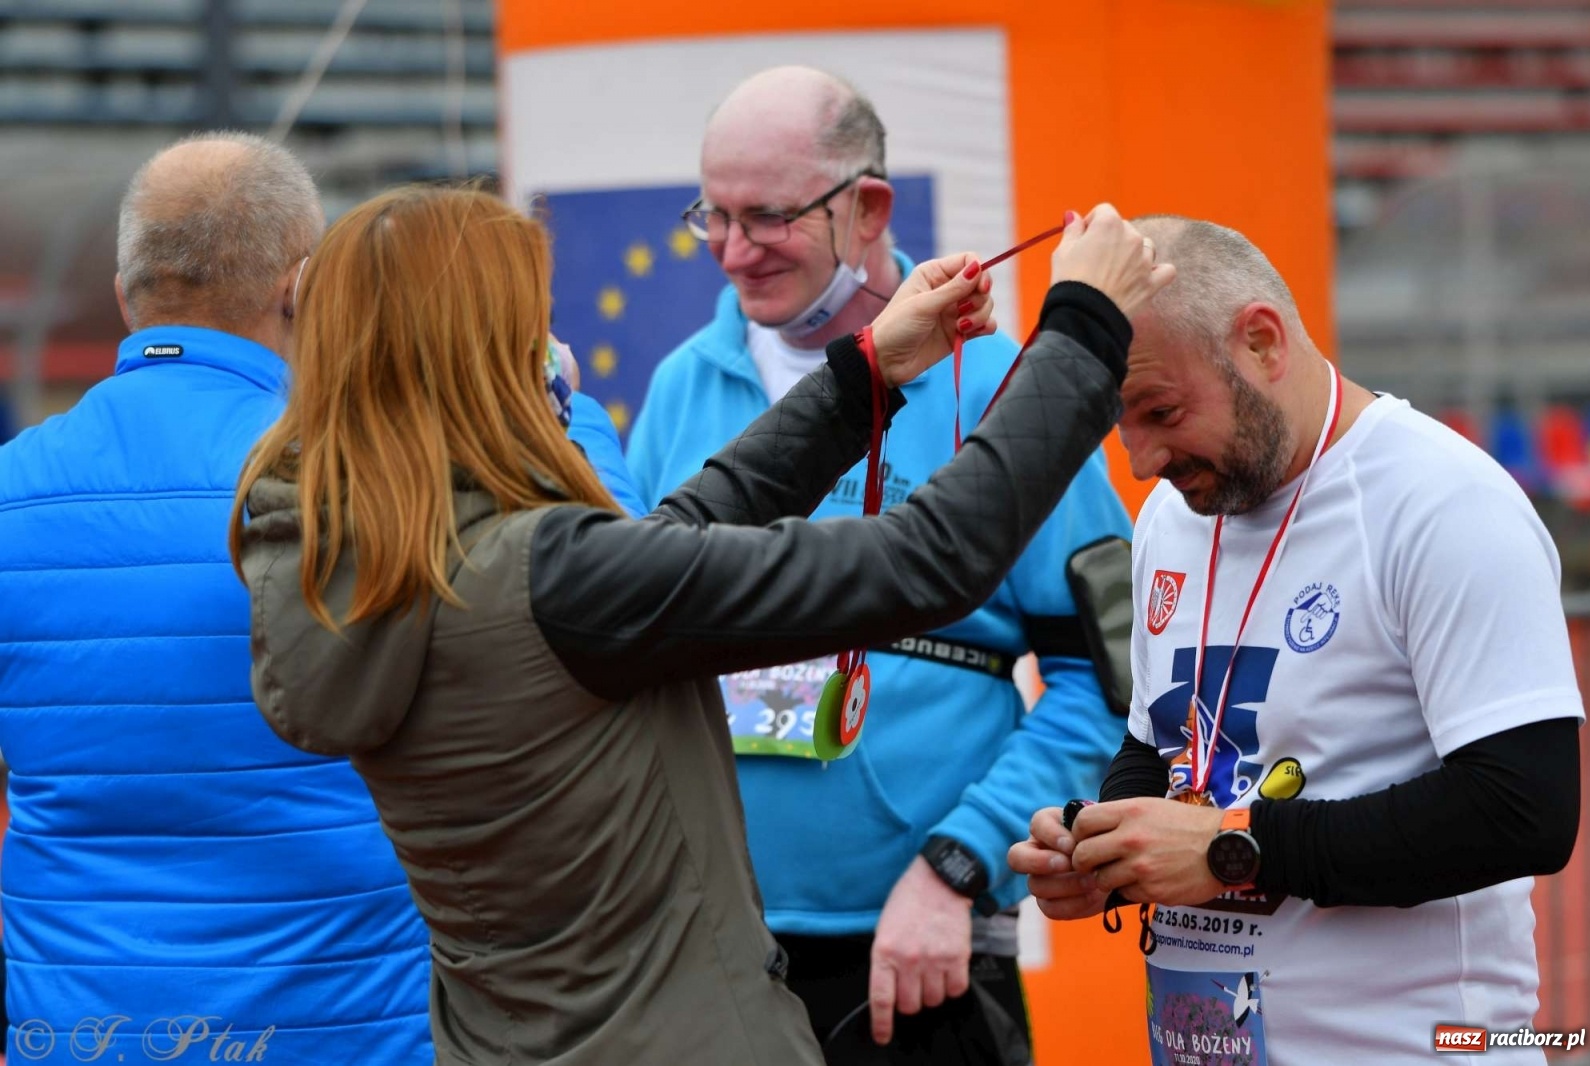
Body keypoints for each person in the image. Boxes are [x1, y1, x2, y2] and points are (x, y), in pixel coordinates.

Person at [229, 188, 1171, 1066]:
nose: (554, 352)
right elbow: (929, 556)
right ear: (476, 365)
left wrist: (863, 378)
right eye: (530, 329)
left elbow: (674, 540)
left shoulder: (379, 560)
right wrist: (1084, 327)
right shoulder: (551, 577)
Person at [626, 65, 1134, 1062]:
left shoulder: (1003, 385)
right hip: (709, 949)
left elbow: (1106, 678)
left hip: (926, 955)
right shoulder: (681, 385)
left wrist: (960, 864)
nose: (732, 250)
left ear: (868, 209)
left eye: (768, 217)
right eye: (712, 215)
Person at [1009, 216, 1583, 1063]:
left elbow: (1524, 812)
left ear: (1262, 342)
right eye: (1117, 422)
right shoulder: (1173, 512)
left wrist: (1234, 850)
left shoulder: (1444, 503)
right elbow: (1159, 747)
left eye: (1161, 411)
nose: (1139, 460)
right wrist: (1103, 846)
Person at [0, 133, 432, 1063]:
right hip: (349, 1030)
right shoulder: (374, 484)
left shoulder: (10, 490)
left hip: (81, 1031)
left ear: (127, 296)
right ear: (302, 288)